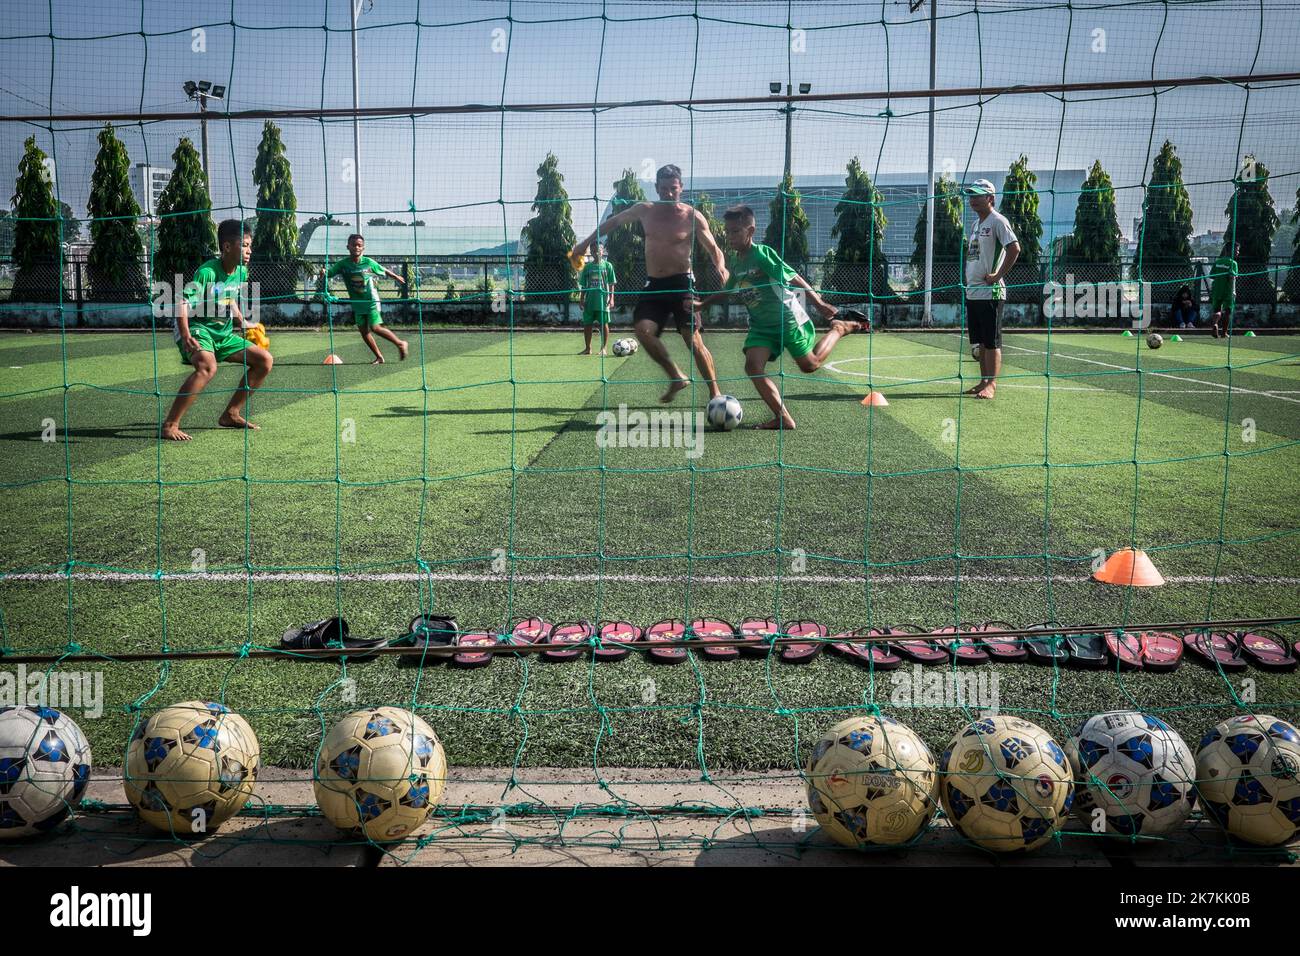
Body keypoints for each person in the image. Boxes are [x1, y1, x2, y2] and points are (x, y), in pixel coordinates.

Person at [693, 205, 869, 429]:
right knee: (753, 366)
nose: (730, 237)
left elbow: (793, 277)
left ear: (751, 230)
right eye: (727, 232)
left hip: (786, 320)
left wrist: (819, 303)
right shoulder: (736, 261)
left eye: (736, 231)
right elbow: (727, 290)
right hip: (761, 325)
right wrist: (702, 304)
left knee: (810, 365)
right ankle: (783, 417)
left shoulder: (762, 255)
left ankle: (839, 328)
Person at [570, 164, 729, 403]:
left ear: (681, 188)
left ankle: (715, 393)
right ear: (656, 188)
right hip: (654, 284)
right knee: (643, 331)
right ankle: (676, 376)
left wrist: (721, 267)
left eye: (673, 189)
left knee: (692, 339)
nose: (668, 193)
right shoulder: (645, 210)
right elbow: (612, 223)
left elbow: (713, 248)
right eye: (663, 189)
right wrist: (584, 244)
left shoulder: (691, 216)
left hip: (682, 284)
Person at [161, 219, 273, 442]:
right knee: (206, 367)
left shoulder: (241, 271)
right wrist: (186, 335)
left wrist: (243, 321)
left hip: (223, 334)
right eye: (245, 245)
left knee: (265, 361)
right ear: (227, 247)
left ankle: (231, 414)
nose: (249, 250)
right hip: (198, 328)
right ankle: (170, 425)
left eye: (250, 245)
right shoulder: (207, 272)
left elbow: (228, 296)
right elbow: (181, 302)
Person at [962, 179, 1020, 400]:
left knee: (992, 340)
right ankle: (983, 382)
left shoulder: (998, 221)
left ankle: (992, 384)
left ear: (990, 198)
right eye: (971, 195)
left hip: (991, 293)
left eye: (977, 195)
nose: (973, 199)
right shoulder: (976, 224)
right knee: (980, 341)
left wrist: (997, 276)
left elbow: (1014, 248)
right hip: (974, 292)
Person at [319, 234, 409, 363]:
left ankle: (400, 343)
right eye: (353, 245)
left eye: (359, 245)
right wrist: (323, 272)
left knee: (375, 327)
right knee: (364, 331)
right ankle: (379, 357)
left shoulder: (368, 262)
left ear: (363, 248)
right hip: (357, 303)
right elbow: (329, 273)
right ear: (348, 247)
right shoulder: (343, 264)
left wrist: (396, 277)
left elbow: (382, 269)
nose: (356, 247)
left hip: (370, 300)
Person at [578, 243, 616, 355]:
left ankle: (603, 348)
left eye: (598, 250)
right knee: (587, 324)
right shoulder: (587, 267)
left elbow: (611, 283)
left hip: (603, 301)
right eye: (593, 251)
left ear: (602, 251)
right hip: (589, 301)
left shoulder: (608, 266)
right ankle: (588, 348)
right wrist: (581, 299)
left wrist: (612, 298)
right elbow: (584, 285)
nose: (596, 253)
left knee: (603, 323)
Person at [1209, 241, 1239, 338]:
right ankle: (1224, 333)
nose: (1238, 252)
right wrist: (1233, 291)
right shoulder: (1233, 263)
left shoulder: (1217, 262)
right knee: (1227, 311)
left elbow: (1212, 276)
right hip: (1228, 290)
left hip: (1217, 290)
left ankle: (1215, 324)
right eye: (1237, 250)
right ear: (1232, 250)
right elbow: (1232, 278)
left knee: (1217, 310)